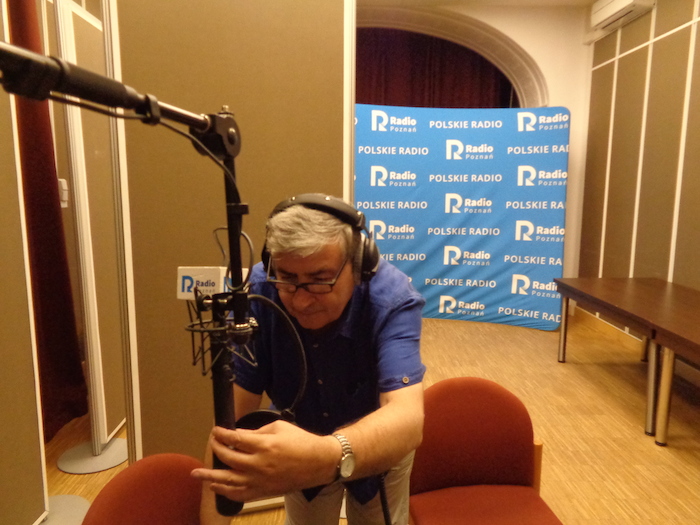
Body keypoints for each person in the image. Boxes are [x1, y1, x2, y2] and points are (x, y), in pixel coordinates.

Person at [192, 194, 426, 524]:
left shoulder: (393, 299)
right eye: (287, 279)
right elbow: (229, 428)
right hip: (298, 441)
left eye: (319, 280)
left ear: (357, 266)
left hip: (379, 448)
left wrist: (325, 455)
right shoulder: (258, 292)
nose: (301, 302)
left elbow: (408, 419)